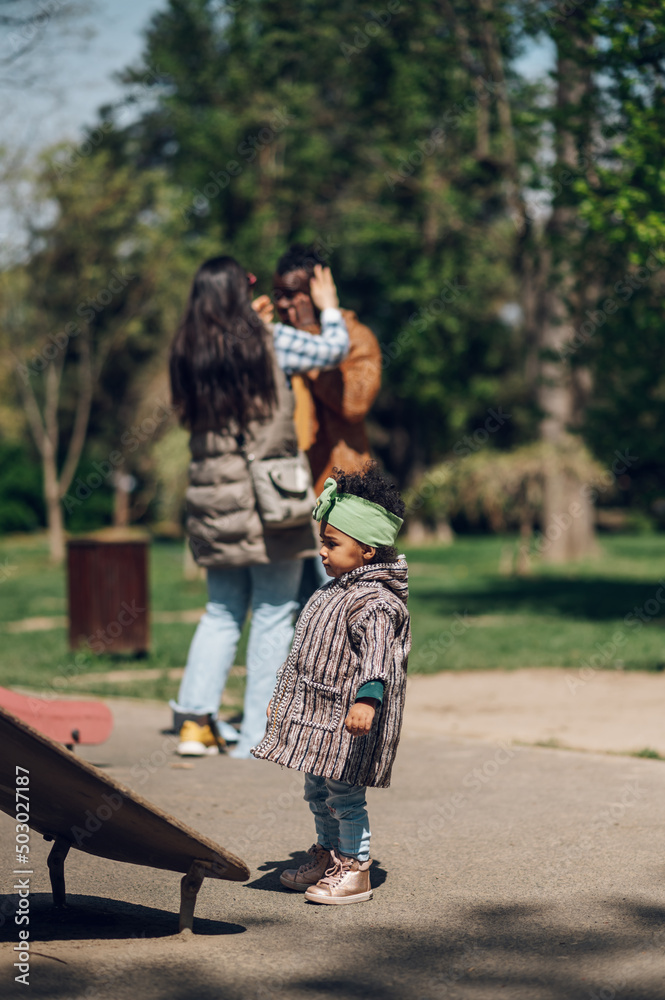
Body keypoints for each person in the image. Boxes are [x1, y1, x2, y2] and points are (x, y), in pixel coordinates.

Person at [169, 256, 350, 759]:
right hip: (270, 500)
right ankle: (254, 737)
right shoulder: (267, 341)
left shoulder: (187, 351)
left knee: (221, 611)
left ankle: (193, 726)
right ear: (236, 294)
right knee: (273, 612)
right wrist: (329, 309)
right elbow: (332, 349)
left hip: (211, 500)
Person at [252, 461, 411, 904]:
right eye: (322, 542)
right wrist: (281, 700)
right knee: (317, 789)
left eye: (332, 543)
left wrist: (368, 701)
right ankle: (326, 853)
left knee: (345, 793)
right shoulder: (331, 591)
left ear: (367, 550)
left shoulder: (375, 602)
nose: (322, 551)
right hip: (315, 716)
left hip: (347, 721)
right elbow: (303, 653)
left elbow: (378, 659)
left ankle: (354, 867)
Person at [273, 244, 382, 594]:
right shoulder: (274, 341)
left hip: (337, 491)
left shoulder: (356, 338)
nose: (284, 305)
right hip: (284, 490)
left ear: (318, 291)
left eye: (294, 296)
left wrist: (309, 330)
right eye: (279, 295)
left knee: (343, 602)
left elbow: (354, 402)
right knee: (287, 609)